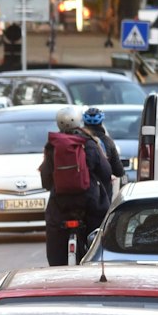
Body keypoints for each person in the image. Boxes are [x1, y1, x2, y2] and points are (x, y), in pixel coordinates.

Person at [40, 106, 111, 266]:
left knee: (54, 229)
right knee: (100, 229)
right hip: (89, 201)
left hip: (60, 203)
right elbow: (106, 172)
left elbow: (45, 176)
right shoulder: (88, 143)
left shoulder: (52, 145)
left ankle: (56, 268)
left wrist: (51, 186)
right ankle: (97, 262)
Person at [82, 107, 123, 203]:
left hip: (80, 190)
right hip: (102, 193)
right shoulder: (108, 142)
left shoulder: (76, 140)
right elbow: (119, 171)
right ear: (101, 123)